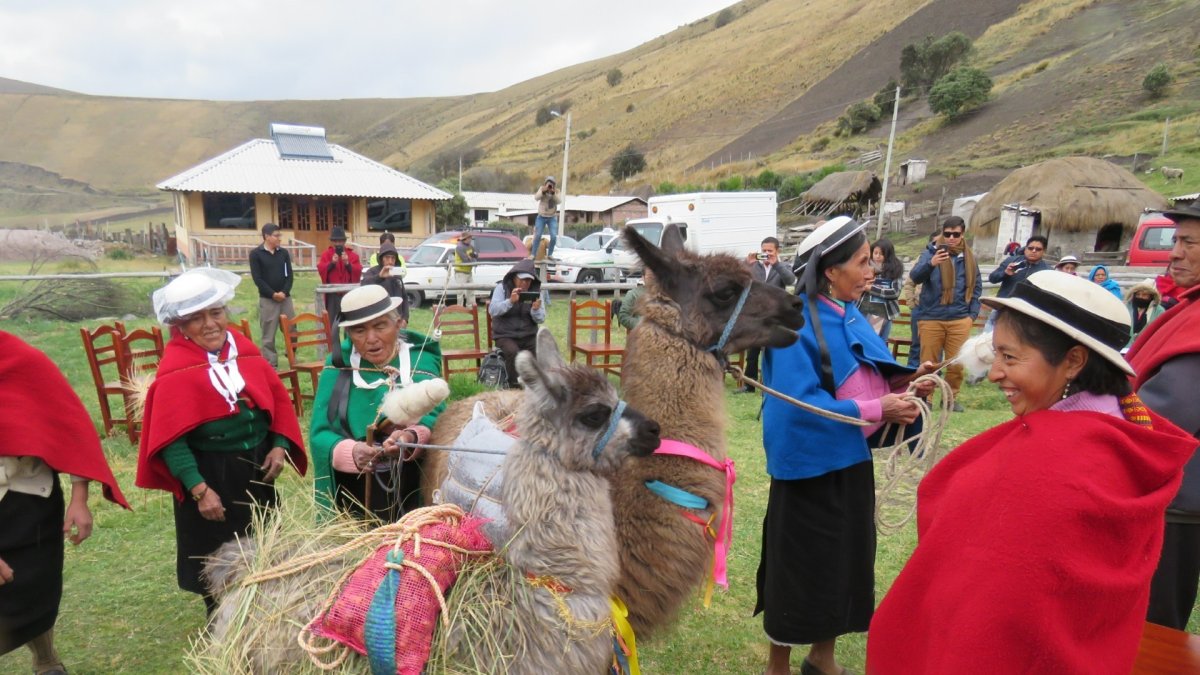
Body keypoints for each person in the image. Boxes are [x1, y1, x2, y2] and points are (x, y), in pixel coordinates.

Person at [868, 271, 1197, 673]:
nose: (993, 373)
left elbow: (995, 603)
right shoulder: (1125, 431)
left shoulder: (1052, 465)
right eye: (996, 355)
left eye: (1010, 357)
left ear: (1074, 360)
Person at [758, 217, 936, 675]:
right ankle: (778, 664)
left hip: (849, 464)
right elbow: (798, 404)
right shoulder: (792, 325)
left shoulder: (849, 315)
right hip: (807, 472)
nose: (872, 270)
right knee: (796, 568)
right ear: (830, 270)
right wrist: (880, 409)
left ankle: (823, 656)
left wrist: (910, 385)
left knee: (844, 561)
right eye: (862, 262)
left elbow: (867, 377)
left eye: (872, 260)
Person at [136, 268, 307, 616]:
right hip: (209, 473)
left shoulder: (245, 353)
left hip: (256, 468)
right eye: (196, 318)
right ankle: (221, 614)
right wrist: (199, 489)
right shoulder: (175, 371)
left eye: (216, 313)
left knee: (264, 540)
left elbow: (276, 403)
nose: (210, 324)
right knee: (215, 548)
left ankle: (265, 608)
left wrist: (278, 445)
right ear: (180, 326)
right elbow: (171, 440)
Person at [0, 331, 129, 674]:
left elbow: (68, 424)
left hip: (30, 501)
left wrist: (79, 497)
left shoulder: (22, 360)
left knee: (37, 587)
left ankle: (46, 658)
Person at [310, 285, 445, 522]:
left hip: (415, 492)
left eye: (380, 326)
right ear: (349, 334)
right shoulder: (338, 366)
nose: (371, 339)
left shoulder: (421, 360)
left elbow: (441, 421)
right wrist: (350, 452)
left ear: (398, 323)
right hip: (354, 498)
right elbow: (320, 433)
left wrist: (411, 438)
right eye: (359, 330)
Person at [1129, 203, 1200, 630]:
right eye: (1176, 242)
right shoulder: (1189, 307)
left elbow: (1166, 416)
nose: (1175, 253)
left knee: (1151, 623)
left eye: (1190, 243)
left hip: (1177, 498)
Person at [908, 216, 982, 412]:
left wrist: (971, 316)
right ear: (942, 233)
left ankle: (950, 399)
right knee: (928, 364)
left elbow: (977, 288)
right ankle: (926, 399)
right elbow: (914, 277)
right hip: (931, 316)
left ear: (962, 234)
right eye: (947, 234)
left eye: (955, 234)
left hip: (959, 318)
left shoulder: (969, 257)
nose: (950, 238)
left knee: (956, 364)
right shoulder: (930, 253)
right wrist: (931, 263)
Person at [741, 236, 797, 392]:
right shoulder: (754, 267)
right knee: (752, 353)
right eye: (763, 250)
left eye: (769, 251)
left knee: (772, 352)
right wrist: (747, 264)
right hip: (756, 316)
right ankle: (749, 385)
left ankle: (770, 385)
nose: (766, 253)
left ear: (777, 251)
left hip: (775, 316)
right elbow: (739, 280)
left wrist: (776, 264)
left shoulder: (782, 266)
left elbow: (790, 280)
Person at [489, 259, 546, 389]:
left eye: (528, 280)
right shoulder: (501, 288)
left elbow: (541, 319)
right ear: (514, 277)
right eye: (522, 279)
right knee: (513, 352)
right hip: (505, 335)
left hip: (528, 335)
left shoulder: (535, 292)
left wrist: (535, 310)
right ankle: (514, 387)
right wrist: (510, 301)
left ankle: (535, 386)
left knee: (540, 351)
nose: (525, 283)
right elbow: (492, 310)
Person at [248, 223, 294, 368]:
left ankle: (292, 357)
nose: (279, 238)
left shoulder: (283, 253)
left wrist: (284, 292)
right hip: (268, 299)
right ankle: (271, 364)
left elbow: (289, 275)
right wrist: (273, 294)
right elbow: (258, 279)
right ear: (267, 237)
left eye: (280, 235)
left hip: (285, 298)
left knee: (292, 328)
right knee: (268, 333)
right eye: (276, 235)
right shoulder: (256, 254)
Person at [985, 234, 1050, 330]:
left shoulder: (1048, 271)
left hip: (1027, 315)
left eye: (1038, 249)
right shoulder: (1011, 261)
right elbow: (992, 278)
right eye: (1030, 248)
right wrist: (1005, 273)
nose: (1033, 251)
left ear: (1043, 251)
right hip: (1002, 308)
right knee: (988, 340)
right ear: (1025, 249)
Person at [857, 238, 903, 340]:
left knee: (877, 343)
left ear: (888, 255)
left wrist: (872, 289)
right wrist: (863, 285)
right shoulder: (864, 267)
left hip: (882, 312)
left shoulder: (895, 269)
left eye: (881, 254)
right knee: (864, 341)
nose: (877, 256)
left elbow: (895, 293)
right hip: (862, 311)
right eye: (875, 253)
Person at [318, 226, 363, 320]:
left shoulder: (353, 255)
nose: (338, 243)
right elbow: (321, 268)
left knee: (351, 323)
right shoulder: (326, 254)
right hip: (333, 295)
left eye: (340, 241)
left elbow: (358, 270)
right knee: (332, 324)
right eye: (335, 241)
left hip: (348, 294)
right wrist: (332, 263)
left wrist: (347, 263)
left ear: (344, 241)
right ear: (332, 242)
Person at [360, 242, 409, 326]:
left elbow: (404, 297)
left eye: (393, 258)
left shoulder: (396, 275)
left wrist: (405, 318)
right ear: (382, 258)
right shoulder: (372, 272)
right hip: (379, 321)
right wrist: (379, 277)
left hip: (397, 320)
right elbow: (364, 285)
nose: (390, 261)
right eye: (387, 257)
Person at [1123, 278, 1164, 348]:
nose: (1140, 297)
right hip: (1125, 347)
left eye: (1144, 295)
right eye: (1138, 294)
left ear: (1151, 296)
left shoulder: (1159, 310)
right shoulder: (1127, 307)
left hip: (1147, 347)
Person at [532, 176, 561, 259]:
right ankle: (533, 254)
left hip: (552, 217)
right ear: (545, 184)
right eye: (548, 184)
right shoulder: (542, 189)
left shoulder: (557, 191)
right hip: (541, 216)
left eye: (551, 184)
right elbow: (536, 198)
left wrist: (553, 193)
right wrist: (542, 191)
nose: (549, 186)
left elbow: (559, 201)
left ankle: (550, 254)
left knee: (553, 236)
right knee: (537, 235)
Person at [453, 231, 479, 306]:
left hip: (468, 272)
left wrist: (472, 257)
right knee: (460, 292)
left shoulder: (470, 246)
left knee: (471, 290)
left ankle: (470, 307)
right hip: (460, 272)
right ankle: (459, 308)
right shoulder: (459, 247)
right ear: (465, 238)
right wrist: (472, 258)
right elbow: (465, 259)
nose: (471, 239)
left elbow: (476, 255)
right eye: (469, 238)